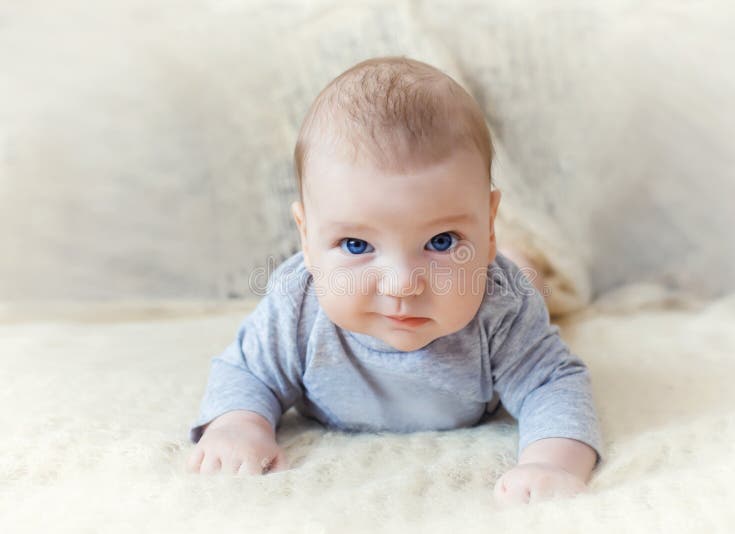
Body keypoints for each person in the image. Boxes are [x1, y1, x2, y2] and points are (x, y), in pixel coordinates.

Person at [185, 56, 603, 505]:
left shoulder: (501, 307)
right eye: (357, 245)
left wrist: (550, 461)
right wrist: (238, 427)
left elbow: (553, 384)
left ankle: (516, 258)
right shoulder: (296, 305)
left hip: (509, 278)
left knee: (527, 282)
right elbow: (246, 372)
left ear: (488, 224)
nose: (402, 285)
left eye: (442, 241)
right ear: (306, 237)